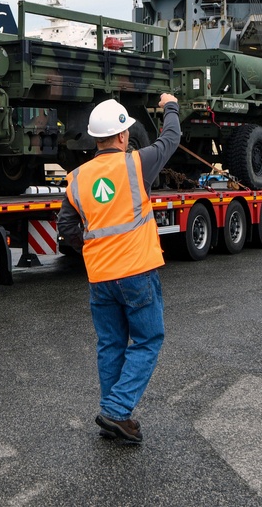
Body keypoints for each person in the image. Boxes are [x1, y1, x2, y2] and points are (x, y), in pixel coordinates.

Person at [57, 93, 181, 443]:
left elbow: (66, 227)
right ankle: (117, 409)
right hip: (137, 271)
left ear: (97, 139)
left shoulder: (78, 178)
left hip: (101, 277)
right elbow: (171, 138)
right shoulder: (137, 163)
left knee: (111, 344)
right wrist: (170, 105)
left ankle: (116, 416)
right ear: (123, 135)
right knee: (147, 340)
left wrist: (92, 249)